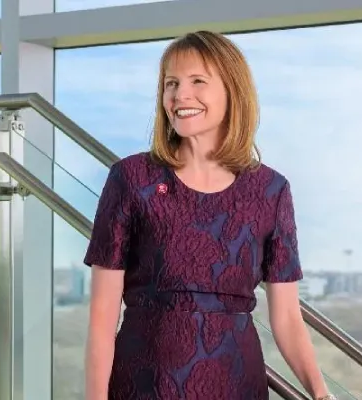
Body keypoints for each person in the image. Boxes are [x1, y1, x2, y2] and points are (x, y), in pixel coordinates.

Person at [83, 31, 336, 400]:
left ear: (232, 91)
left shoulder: (271, 190)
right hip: (143, 385)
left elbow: (286, 318)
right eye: (171, 83)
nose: (180, 95)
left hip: (237, 383)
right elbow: (102, 322)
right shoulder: (131, 179)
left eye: (197, 81)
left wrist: (320, 393)